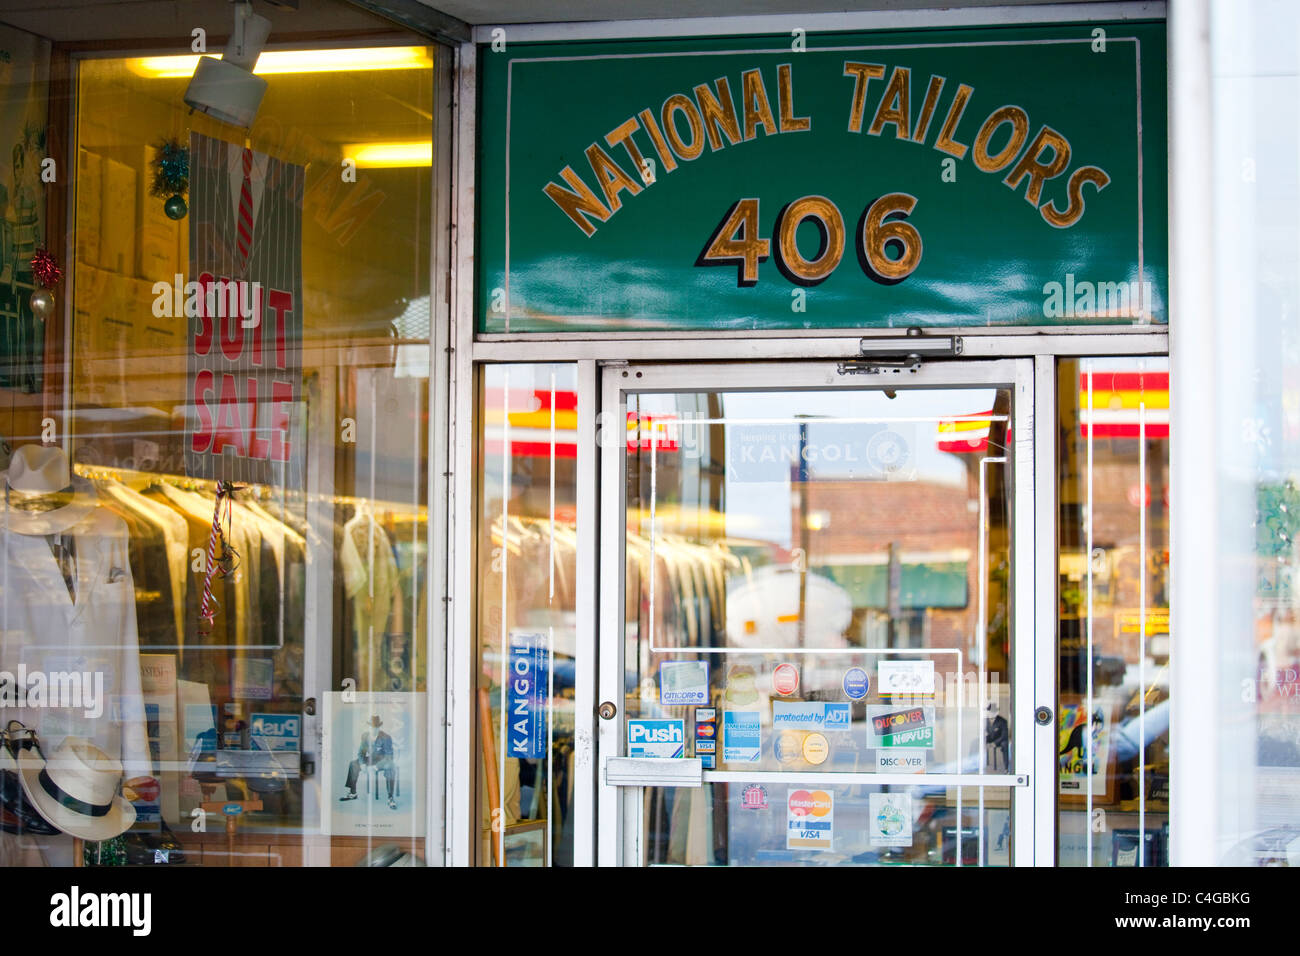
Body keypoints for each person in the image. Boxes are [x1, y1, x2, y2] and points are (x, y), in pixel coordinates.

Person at [340, 715, 396, 809]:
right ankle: (353, 793)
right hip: (371, 759)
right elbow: (361, 753)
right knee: (353, 764)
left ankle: (390, 798)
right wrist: (362, 764)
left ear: (379, 727)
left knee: (390, 767)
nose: (374, 729)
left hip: (383, 761)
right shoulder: (365, 736)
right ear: (369, 727)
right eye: (372, 727)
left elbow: (389, 757)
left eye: (376, 727)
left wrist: (375, 767)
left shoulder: (386, 738)